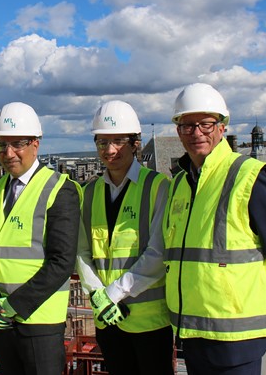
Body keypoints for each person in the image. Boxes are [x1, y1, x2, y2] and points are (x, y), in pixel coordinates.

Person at [163, 83, 266, 374]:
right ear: (178, 131)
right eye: (187, 125)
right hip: (193, 330)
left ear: (222, 127)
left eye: (205, 124)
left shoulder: (248, 174)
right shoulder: (180, 183)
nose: (196, 132)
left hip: (238, 336)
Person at [0, 102, 80, 375]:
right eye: (1, 145)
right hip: (0, 318)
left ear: (36, 143)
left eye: (17, 144)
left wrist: (15, 304)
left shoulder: (60, 188)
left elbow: (62, 261)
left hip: (39, 321)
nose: (8, 153)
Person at [75, 100, 174, 375]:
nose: (110, 150)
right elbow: (82, 251)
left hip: (150, 322)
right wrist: (97, 294)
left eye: (118, 140)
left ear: (135, 143)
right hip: (108, 320)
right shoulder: (90, 192)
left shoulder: (157, 187)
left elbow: (157, 252)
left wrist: (113, 293)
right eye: (102, 142)